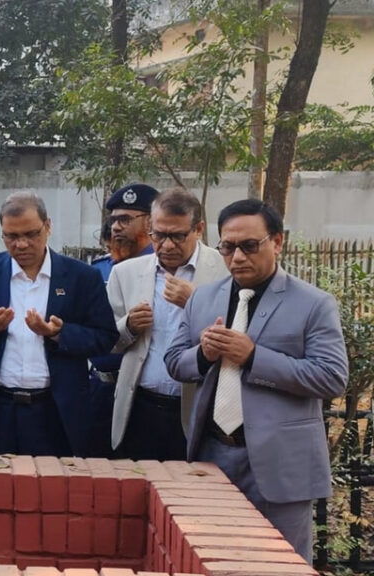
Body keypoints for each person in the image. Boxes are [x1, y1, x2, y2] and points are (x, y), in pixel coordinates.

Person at [165, 199, 347, 562]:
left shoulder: (313, 304)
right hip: (212, 454)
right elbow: (173, 361)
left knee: (280, 564)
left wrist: (253, 357)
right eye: (228, 247)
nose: (237, 257)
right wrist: (204, 354)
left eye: (249, 246)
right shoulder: (203, 298)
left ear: (277, 242)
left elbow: (331, 377)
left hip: (281, 465)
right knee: (215, 561)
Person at [0, 192, 118, 457]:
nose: (21, 244)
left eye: (31, 234)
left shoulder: (81, 277)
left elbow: (105, 337)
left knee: (53, 481)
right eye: (11, 236)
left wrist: (59, 334)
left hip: (55, 411)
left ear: (48, 226)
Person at [107, 189, 228, 460]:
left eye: (178, 236)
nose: (167, 245)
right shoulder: (125, 273)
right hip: (139, 407)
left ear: (199, 229)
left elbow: (240, 333)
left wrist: (195, 303)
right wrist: (129, 326)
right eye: (159, 235)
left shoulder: (225, 270)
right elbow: (107, 341)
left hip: (198, 409)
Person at [86, 183, 159, 456]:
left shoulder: (164, 270)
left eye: (126, 219)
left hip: (141, 394)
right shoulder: (100, 269)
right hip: (99, 389)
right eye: (114, 219)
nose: (116, 227)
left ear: (150, 222)